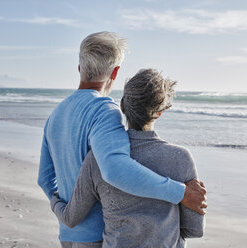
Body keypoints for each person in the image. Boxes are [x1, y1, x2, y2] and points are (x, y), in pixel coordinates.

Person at [37, 32, 207, 247]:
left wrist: (59, 207)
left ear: (80, 68)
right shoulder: (105, 110)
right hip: (97, 235)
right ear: (115, 72)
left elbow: (44, 178)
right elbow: (115, 169)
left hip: (68, 233)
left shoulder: (56, 114)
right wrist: (180, 192)